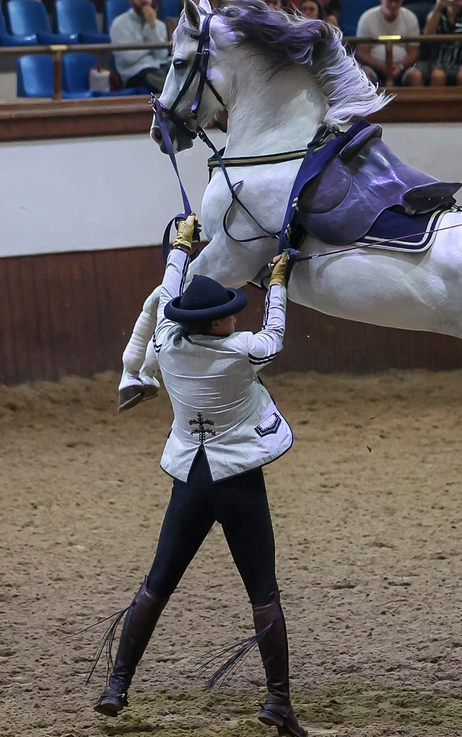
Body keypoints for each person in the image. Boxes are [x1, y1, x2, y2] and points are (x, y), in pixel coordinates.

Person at [92, 218, 304, 737]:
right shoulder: (242, 353)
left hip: (190, 477)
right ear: (213, 326)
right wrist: (278, 284)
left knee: (157, 583)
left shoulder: (166, 344)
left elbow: (167, 292)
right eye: (228, 316)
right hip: (237, 480)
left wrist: (180, 248)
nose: (235, 318)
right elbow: (274, 336)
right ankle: (277, 701)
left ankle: (117, 684)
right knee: (263, 591)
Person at [353, 0, 418, 84]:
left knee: (416, 76)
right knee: (365, 74)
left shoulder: (410, 18)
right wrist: (381, 67)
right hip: (374, 67)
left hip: (402, 67)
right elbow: (361, 52)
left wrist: (400, 66)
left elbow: (413, 51)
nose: (393, 5)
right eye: (390, 0)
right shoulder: (367, 18)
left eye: (398, 1)